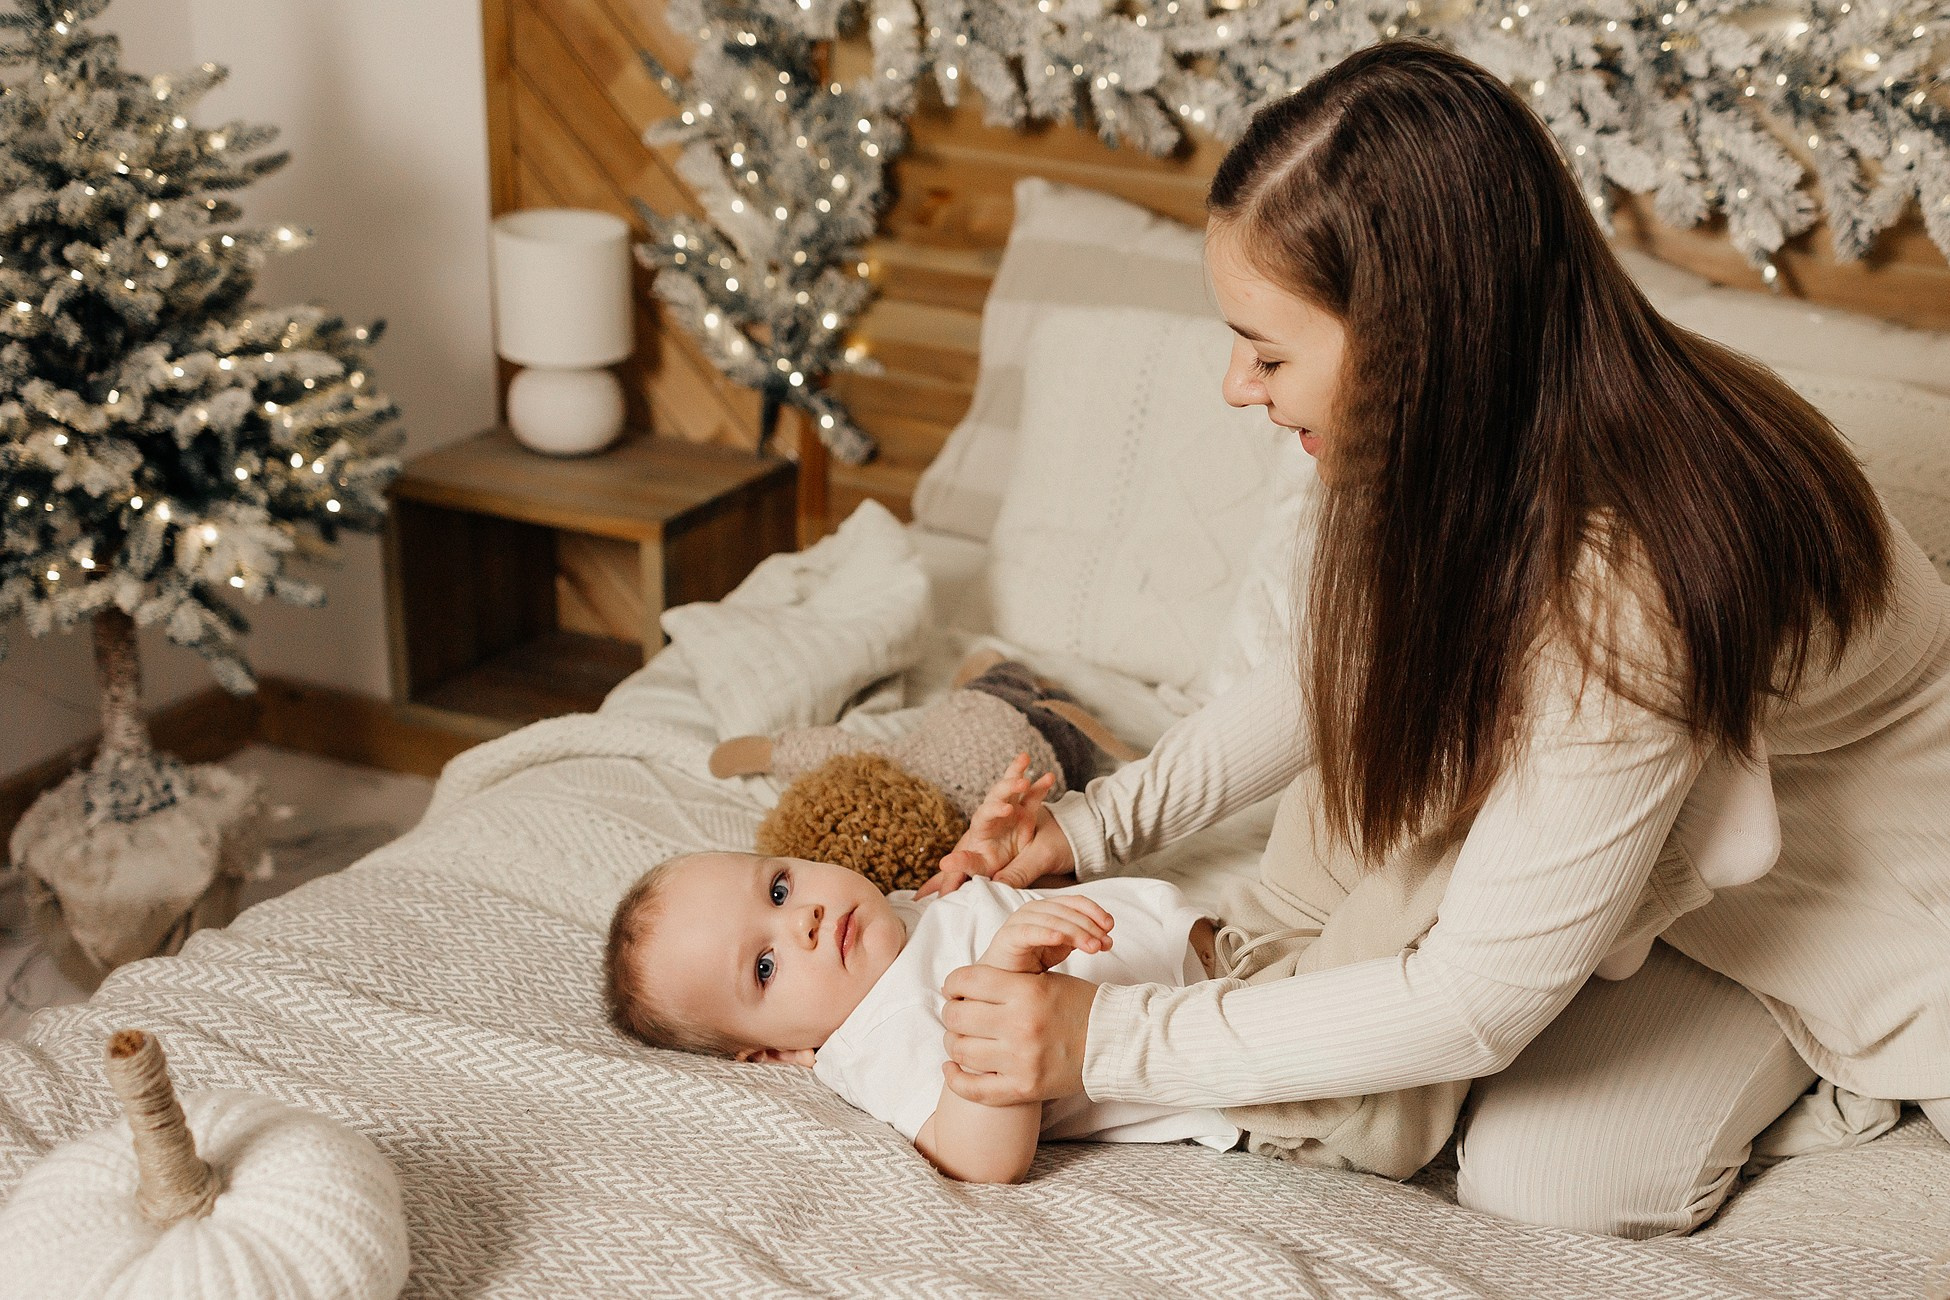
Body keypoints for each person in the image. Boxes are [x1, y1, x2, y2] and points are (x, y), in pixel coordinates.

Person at [921, 40, 1950, 1239]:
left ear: (1417, 344)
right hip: (1679, 865)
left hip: (1850, 901)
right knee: (1524, 1169)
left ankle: (1834, 1052)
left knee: (1557, 1183)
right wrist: (1093, 826)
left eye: (1269, 352)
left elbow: (1473, 1002)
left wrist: (1110, 1041)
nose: (1238, 386)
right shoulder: (1470, 438)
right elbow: (1328, 671)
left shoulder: (1632, 582)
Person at [601, 760, 1243, 1185]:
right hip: (1240, 1060)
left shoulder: (896, 910)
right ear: (776, 1052)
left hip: (1237, 938)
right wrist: (1003, 984)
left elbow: (1038, 919)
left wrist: (1002, 857)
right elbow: (978, 1160)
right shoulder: (875, 1037)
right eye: (765, 967)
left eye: (778, 889)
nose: (803, 921)